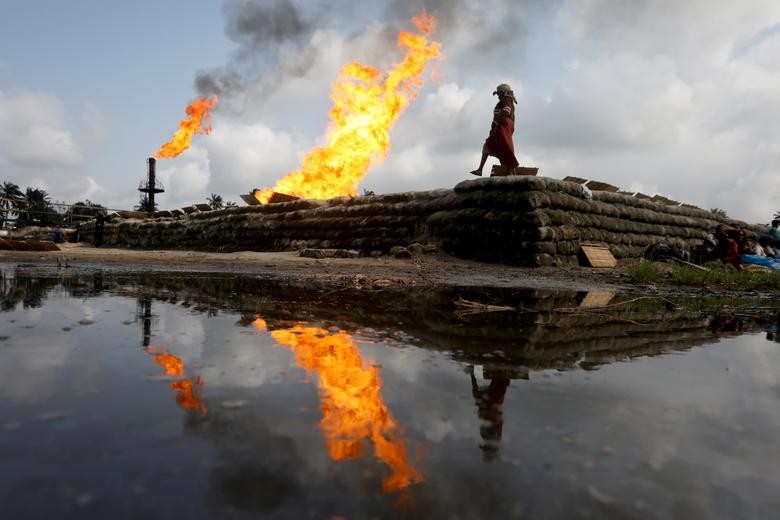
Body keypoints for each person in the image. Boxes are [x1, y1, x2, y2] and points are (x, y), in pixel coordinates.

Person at [470, 83, 519, 177]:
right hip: (500, 127)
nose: (498, 96)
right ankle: (480, 169)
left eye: (499, 94)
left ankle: (510, 171)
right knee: (488, 144)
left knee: (506, 146)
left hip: (504, 126)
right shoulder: (502, 102)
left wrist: (496, 122)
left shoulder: (507, 100)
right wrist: (495, 126)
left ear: (503, 93)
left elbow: (506, 111)